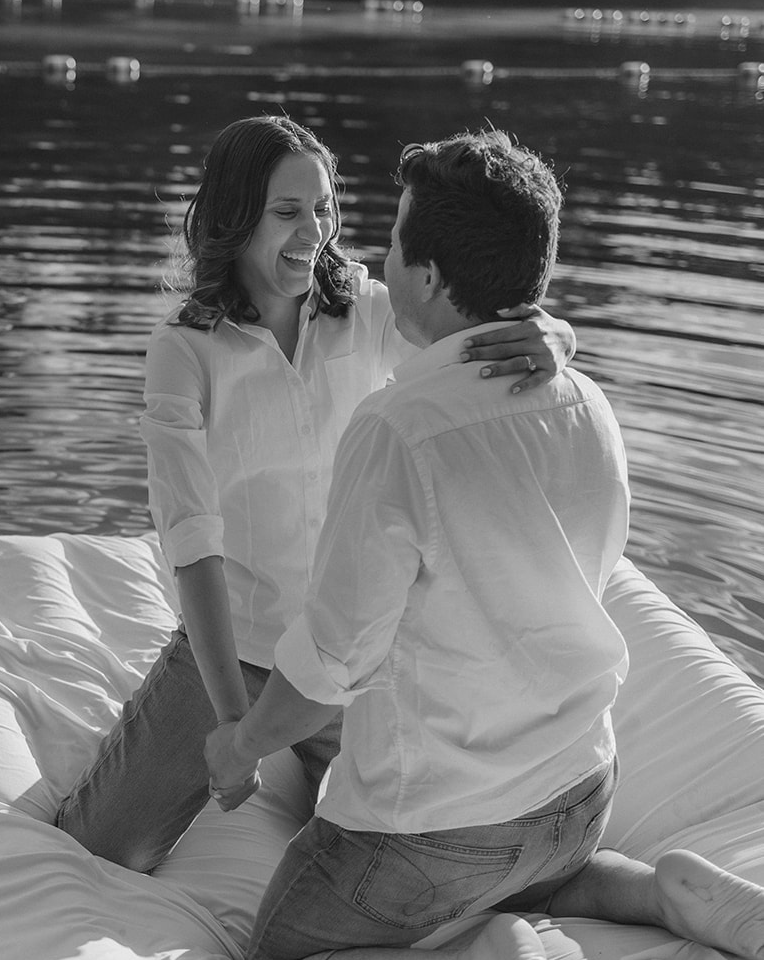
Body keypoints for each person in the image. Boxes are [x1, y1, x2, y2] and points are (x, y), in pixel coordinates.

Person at [206, 127, 764, 960]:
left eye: (390, 245)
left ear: (425, 279)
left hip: (434, 835)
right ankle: (660, 893)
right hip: (575, 798)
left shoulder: (397, 428)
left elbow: (328, 670)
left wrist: (238, 745)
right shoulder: (588, 402)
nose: (376, 262)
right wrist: (555, 329)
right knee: (526, 867)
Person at [55, 115, 576, 876]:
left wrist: (555, 336)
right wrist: (235, 727)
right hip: (238, 646)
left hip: (353, 652)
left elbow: (472, 328)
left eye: (325, 207)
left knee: (375, 855)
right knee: (105, 847)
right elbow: (191, 541)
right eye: (287, 211)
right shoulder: (184, 351)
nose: (315, 231)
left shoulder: (366, 310)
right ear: (234, 219)